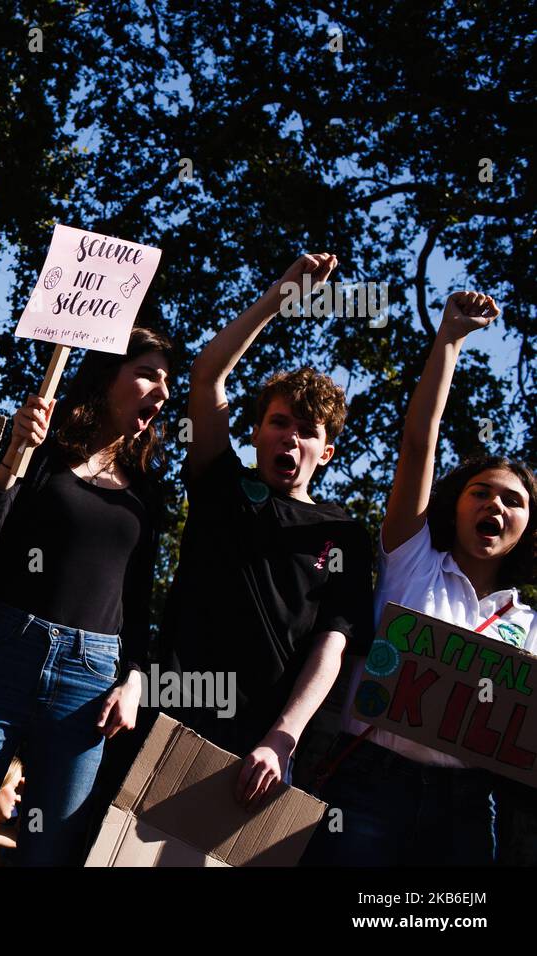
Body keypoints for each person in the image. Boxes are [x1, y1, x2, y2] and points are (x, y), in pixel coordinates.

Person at [0, 328, 172, 866]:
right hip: (4, 655)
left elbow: (139, 599)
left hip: (90, 681)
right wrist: (14, 456)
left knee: (49, 855)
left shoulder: (149, 492)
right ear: (109, 376)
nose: (164, 391)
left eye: (168, 381)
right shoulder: (41, 455)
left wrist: (133, 679)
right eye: (149, 373)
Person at [303, 290, 533, 866]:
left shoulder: (530, 626)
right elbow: (417, 445)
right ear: (454, 505)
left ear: (528, 529)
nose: (496, 508)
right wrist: (450, 340)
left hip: (468, 809)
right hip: (367, 787)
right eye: (482, 494)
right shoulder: (412, 561)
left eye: (514, 502)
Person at [159, 253, 374, 809]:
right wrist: (281, 293)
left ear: (326, 453)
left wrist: (284, 737)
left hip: (261, 748)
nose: (290, 438)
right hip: (169, 710)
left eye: (307, 431)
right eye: (278, 422)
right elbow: (207, 375)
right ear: (253, 433)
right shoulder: (222, 487)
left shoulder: (345, 534)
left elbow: (334, 642)